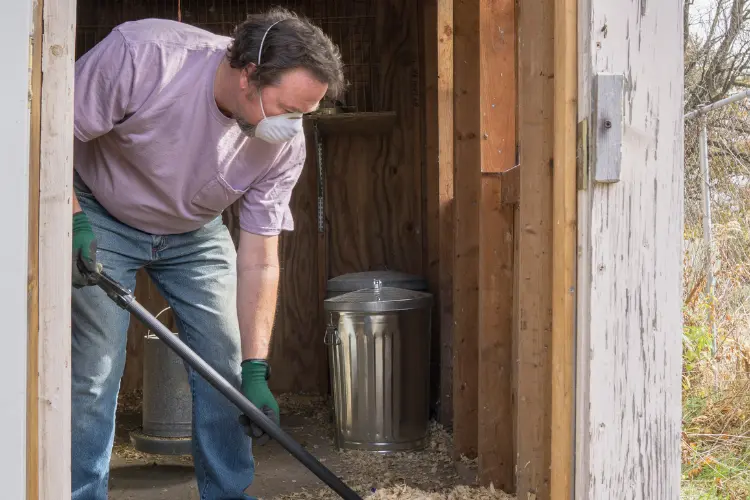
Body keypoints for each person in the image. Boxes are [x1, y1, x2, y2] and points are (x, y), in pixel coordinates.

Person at [70, 7, 344, 499]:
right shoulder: (145, 55)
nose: (292, 127)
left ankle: (228, 492)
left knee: (225, 367)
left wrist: (255, 370)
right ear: (249, 75)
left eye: (305, 114)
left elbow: (261, 256)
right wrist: (70, 220)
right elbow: (43, 135)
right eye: (287, 110)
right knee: (95, 370)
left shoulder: (284, 143)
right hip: (100, 211)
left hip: (194, 229)